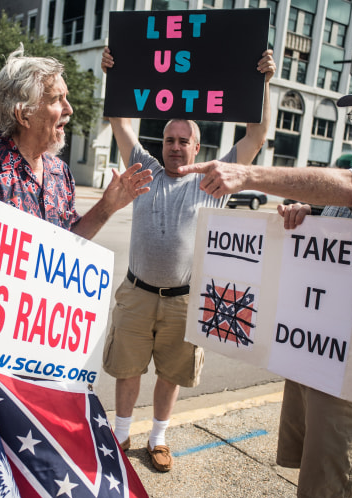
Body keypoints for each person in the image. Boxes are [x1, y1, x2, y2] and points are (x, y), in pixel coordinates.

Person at [177, 73, 352, 498]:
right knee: (315, 480)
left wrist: (247, 173)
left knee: (332, 494)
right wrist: (306, 217)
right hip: (320, 348)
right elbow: (347, 227)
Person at [101, 46, 276, 472]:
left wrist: (263, 83)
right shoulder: (143, 169)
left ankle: (158, 438)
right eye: (169, 140)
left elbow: (255, 137)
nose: (175, 147)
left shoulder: (213, 180)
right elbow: (120, 121)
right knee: (128, 368)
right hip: (137, 293)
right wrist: (116, 72)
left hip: (184, 299)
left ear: (197, 147)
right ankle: (121, 435)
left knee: (172, 373)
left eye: (183, 141)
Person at [0, 45, 152, 239]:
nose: (69, 109)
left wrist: (107, 206)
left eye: (66, 98)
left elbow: (66, 243)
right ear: (24, 114)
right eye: (56, 99)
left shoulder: (59, 172)